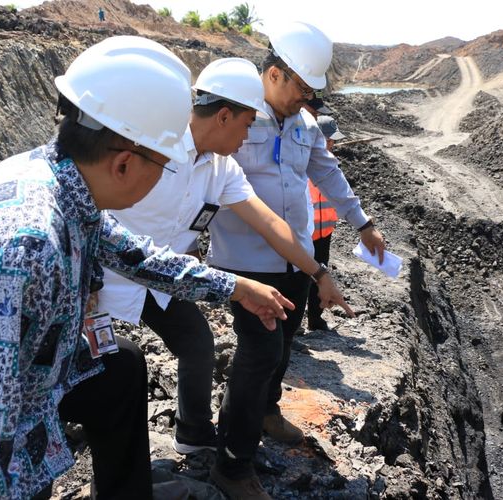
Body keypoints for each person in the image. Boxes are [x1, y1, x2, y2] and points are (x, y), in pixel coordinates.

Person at [0, 36, 293, 500]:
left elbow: (136, 256)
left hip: (4, 377)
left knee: (120, 366)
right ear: (124, 163)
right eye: (164, 164)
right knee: (27, 479)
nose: (167, 175)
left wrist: (232, 286)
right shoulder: (23, 247)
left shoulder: (60, 181)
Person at [97, 58, 352, 460]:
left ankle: (194, 434)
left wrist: (318, 271)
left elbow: (269, 224)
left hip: (164, 276)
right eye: (248, 123)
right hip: (102, 278)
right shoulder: (154, 149)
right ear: (223, 116)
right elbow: (100, 219)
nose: (250, 133)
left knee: (197, 342)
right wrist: (84, 287)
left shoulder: (223, 169)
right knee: (107, 372)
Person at [206, 22, 386, 499]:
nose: (305, 99)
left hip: (296, 259)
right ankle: (232, 463)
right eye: (301, 88)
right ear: (273, 75)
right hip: (245, 262)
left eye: (311, 91)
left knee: (283, 347)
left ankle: (267, 412)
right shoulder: (238, 120)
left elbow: (329, 174)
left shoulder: (305, 127)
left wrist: (364, 225)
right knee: (258, 353)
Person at [306, 115, 346, 331]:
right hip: (305, 234)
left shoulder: (331, 165)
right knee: (301, 278)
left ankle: (316, 318)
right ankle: (292, 326)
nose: (332, 144)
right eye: (329, 140)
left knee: (320, 276)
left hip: (324, 233)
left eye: (333, 141)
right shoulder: (302, 165)